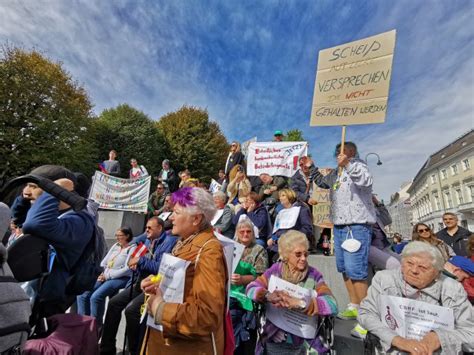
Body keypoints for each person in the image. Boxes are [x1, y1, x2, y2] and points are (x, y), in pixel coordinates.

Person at [141, 187, 227, 354]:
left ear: (195, 219)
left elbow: (207, 316)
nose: (171, 218)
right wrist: (154, 282)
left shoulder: (209, 251)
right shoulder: (185, 242)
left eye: (177, 212)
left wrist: (160, 309)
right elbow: (181, 284)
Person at [358, 241, 474, 354]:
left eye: (422, 267)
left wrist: (440, 338)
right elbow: (366, 313)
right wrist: (398, 340)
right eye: (409, 263)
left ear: (437, 272)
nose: (414, 270)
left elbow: (470, 333)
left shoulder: (451, 288)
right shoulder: (384, 279)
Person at [10, 165, 95, 318]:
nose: (26, 192)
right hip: (23, 299)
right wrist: (25, 200)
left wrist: (55, 188)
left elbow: (35, 224)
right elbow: (18, 217)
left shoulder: (79, 221)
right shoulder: (48, 212)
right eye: (26, 185)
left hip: (44, 306)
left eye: (33, 186)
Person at [313, 141, 375, 339]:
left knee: (357, 270)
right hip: (339, 226)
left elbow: (365, 182)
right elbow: (322, 183)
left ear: (352, 151)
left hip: (355, 224)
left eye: (343, 151)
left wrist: (348, 164)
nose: (338, 154)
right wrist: (310, 167)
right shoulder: (336, 172)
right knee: (344, 268)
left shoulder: (359, 166)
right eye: (337, 151)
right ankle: (354, 305)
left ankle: (367, 318)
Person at [246, 230, 338, 354]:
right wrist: (267, 295)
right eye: (298, 254)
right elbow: (251, 288)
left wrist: (302, 303)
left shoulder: (314, 275)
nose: (303, 259)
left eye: (306, 254)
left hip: (305, 344)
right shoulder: (275, 271)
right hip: (274, 340)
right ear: (286, 255)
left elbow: (332, 304)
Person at [99, 217, 177, 355]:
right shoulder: (147, 241)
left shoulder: (169, 242)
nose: (146, 230)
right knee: (113, 303)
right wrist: (136, 263)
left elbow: (161, 268)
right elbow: (138, 257)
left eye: (149, 228)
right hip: (141, 281)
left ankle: (135, 350)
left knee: (132, 311)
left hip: (155, 285)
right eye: (146, 227)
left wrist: (141, 261)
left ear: (159, 228)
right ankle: (107, 348)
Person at [77, 227, 136, 328]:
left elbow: (127, 269)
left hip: (120, 278)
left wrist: (108, 275)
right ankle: (83, 323)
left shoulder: (132, 248)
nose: (117, 238)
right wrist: (102, 273)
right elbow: (104, 262)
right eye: (116, 235)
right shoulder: (116, 246)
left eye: (120, 236)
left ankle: (96, 326)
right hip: (105, 274)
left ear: (127, 236)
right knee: (82, 295)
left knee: (95, 297)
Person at [230, 219, 268, 354]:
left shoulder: (259, 250)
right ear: (237, 233)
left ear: (253, 233)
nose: (245, 234)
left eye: (248, 231)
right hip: (230, 297)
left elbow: (262, 277)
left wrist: (243, 279)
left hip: (248, 300)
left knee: (247, 337)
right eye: (242, 232)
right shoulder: (231, 247)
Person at [268, 189, 313, 264]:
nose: (280, 198)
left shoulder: (301, 210)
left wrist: (292, 237)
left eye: (283, 196)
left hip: (293, 243)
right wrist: (273, 238)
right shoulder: (281, 212)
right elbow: (277, 229)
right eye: (280, 196)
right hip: (278, 244)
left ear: (290, 196)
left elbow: (307, 229)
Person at [369, 195, 401, 270]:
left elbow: (387, 220)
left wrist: (378, 204)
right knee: (395, 265)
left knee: (404, 261)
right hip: (369, 247)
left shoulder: (374, 209)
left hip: (383, 247)